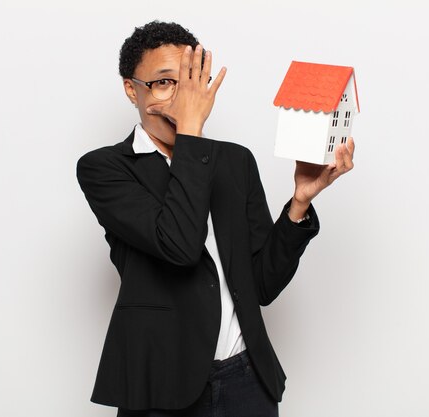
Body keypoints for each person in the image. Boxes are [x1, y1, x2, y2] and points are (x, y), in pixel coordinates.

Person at [76, 21, 354, 417]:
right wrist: (192, 130)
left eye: (193, 82)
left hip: (246, 381)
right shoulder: (105, 168)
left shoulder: (234, 161)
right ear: (130, 88)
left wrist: (298, 204)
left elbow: (260, 285)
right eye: (165, 83)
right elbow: (179, 246)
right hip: (162, 386)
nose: (181, 99)